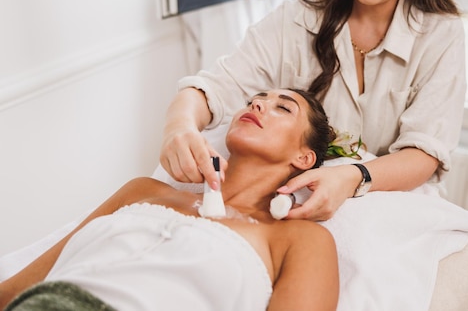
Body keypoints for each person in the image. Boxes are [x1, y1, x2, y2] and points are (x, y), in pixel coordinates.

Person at [160, 0, 465, 221]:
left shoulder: (440, 35)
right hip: (297, 202)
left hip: (385, 205)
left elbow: (424, 152)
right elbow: (212, 89)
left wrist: (352, 177)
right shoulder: (295, 19)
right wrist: (179, 127)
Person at [0, 89, 339, 311]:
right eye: (256, 99)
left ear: (304, 158)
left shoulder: (299, 240)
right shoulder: (142, 192)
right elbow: (14, 290)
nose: (258, 104)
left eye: (283, 108)